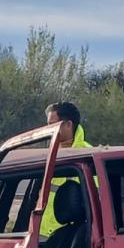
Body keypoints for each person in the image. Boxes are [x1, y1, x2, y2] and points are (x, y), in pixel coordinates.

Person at [40, 101, 94, 237]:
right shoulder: (47, 156)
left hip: (71, 240)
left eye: (52, 125)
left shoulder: (88, 157)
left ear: (68, 125)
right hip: (42, 240)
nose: (47, 130)